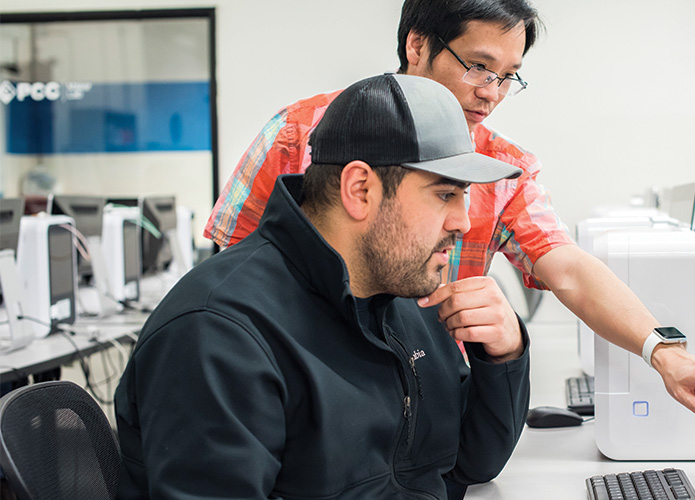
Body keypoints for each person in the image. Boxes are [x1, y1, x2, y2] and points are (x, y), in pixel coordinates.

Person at [206, 0, 695, 421]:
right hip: (310, 395)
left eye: (508, 75)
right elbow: (234, 271)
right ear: (417, 44)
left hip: (422, 400)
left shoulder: (500, 165)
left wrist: (664, 351)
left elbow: (566, 267)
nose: (491, 92)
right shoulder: (303, 133)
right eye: (479, 67)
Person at [114, 74, 530, 500]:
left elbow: (469, 464)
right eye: (445, 195)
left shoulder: (404, 298)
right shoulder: (218, 334)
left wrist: (503, 355)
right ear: (360, 189)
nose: (463, 222)